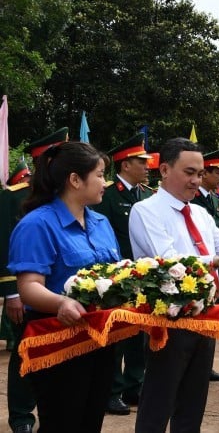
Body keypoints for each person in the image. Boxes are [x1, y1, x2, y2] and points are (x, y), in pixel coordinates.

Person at [129, 138, 219, 432]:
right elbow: (168, 261)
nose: (196, 181)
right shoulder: (146, 210)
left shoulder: (200, 213)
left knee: (193, 401)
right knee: (158, 400)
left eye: (200, 174)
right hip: (168, 319)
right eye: (189, 172)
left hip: (204, 316)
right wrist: (214, 260)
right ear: (164, 169)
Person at [8, 141, 121, 432]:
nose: (104, 182)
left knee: (91, 420)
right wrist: (61, 303)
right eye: (98, 174)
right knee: (62, 421)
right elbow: (29, 286)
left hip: (100, 337)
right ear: (74, 179)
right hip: (58, 338)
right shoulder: (37, 224)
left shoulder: (101, 222)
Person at [2, 130, 67, 433]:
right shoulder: (14, 196)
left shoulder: (68, 200)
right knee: (25, 356)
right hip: (27, 294)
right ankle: (21, 417)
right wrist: (11, 292)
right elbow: (5, 244)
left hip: (60, 296)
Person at [92, 133, 154, 416]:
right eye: (141, 162)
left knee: (139, 336)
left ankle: (134, 385)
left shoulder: (145, 195)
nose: (147, 166)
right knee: (117, 336)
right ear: (125, 164)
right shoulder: (108, 194)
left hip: (142, 276)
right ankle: (112, 391)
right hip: (117, 277)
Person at [190, 148, 219, 381]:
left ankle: (207, 364)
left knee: (212, 312)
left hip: (216, 266)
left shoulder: (214, 199)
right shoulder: (194, 199)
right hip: (198, 267)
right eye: (217, 172)